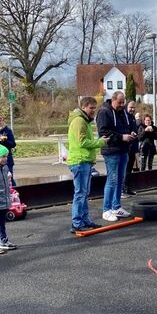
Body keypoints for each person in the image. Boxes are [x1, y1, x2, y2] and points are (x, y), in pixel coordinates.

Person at [67, 97, 108, 233]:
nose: (93, 111)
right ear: (84, 107)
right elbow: (82, 143)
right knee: (80, 193)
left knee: (84, 193)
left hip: (84, 161)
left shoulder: (84, 121)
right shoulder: (79, 121)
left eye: (94, 108)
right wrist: (100, 142)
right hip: (80, 161)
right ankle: (77, 222)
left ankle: (84, 220)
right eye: (91, 108)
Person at [96, 91, 134, 222]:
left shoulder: (122, 112)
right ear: (113, 100)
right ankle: (106, 210)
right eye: (120, 102)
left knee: (120, 179)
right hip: (111, 151)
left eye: (123, 102)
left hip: (123, 150)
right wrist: (122, 137)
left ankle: (116, 206)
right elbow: (103, 132)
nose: (122, 105)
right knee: (112, 180)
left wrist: (131, 133)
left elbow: (128, 126)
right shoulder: (104, 112)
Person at [122, 101, 138, 197]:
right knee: (125, 169)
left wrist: (134, 133)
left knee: (129, 170)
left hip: (133, 146)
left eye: (133, 107)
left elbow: (134, 129)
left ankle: (127, 188)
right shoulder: (124, 117)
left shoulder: (132, 117)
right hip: (126, 147)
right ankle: (123, 189)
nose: (132, 109)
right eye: (130, 107)